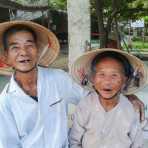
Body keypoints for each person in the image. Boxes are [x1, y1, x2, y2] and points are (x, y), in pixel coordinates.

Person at [0, 20, 145, 148]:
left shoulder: (58, 78)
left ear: (37, 50)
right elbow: (9, 143)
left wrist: (128, 95)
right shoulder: (5, 101)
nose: (23, 52)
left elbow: (95, 92)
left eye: (29, 45)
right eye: (15, 48)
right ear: (6, 57)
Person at [69, 48, 148, 148]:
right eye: (101, 74)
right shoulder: (85, 106)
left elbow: (137, 144)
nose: (107, 81)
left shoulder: (132, 109)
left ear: (125, 81)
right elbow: (74, 141)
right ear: (93, 79)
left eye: (114, 75)